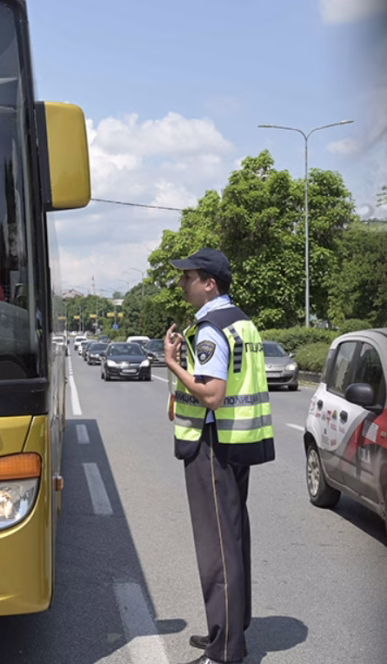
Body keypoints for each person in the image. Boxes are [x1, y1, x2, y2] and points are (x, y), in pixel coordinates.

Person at [162, 248, 275, 664]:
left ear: (209, 283)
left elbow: (212, 394)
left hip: (212, 445)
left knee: (218, 549)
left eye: (188, 277)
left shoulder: (211, 328)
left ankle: (225, 649)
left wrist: (172, 363)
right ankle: (229, 630)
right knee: (234, 537)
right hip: (238, 440)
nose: (181, 284)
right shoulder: (242, 322)